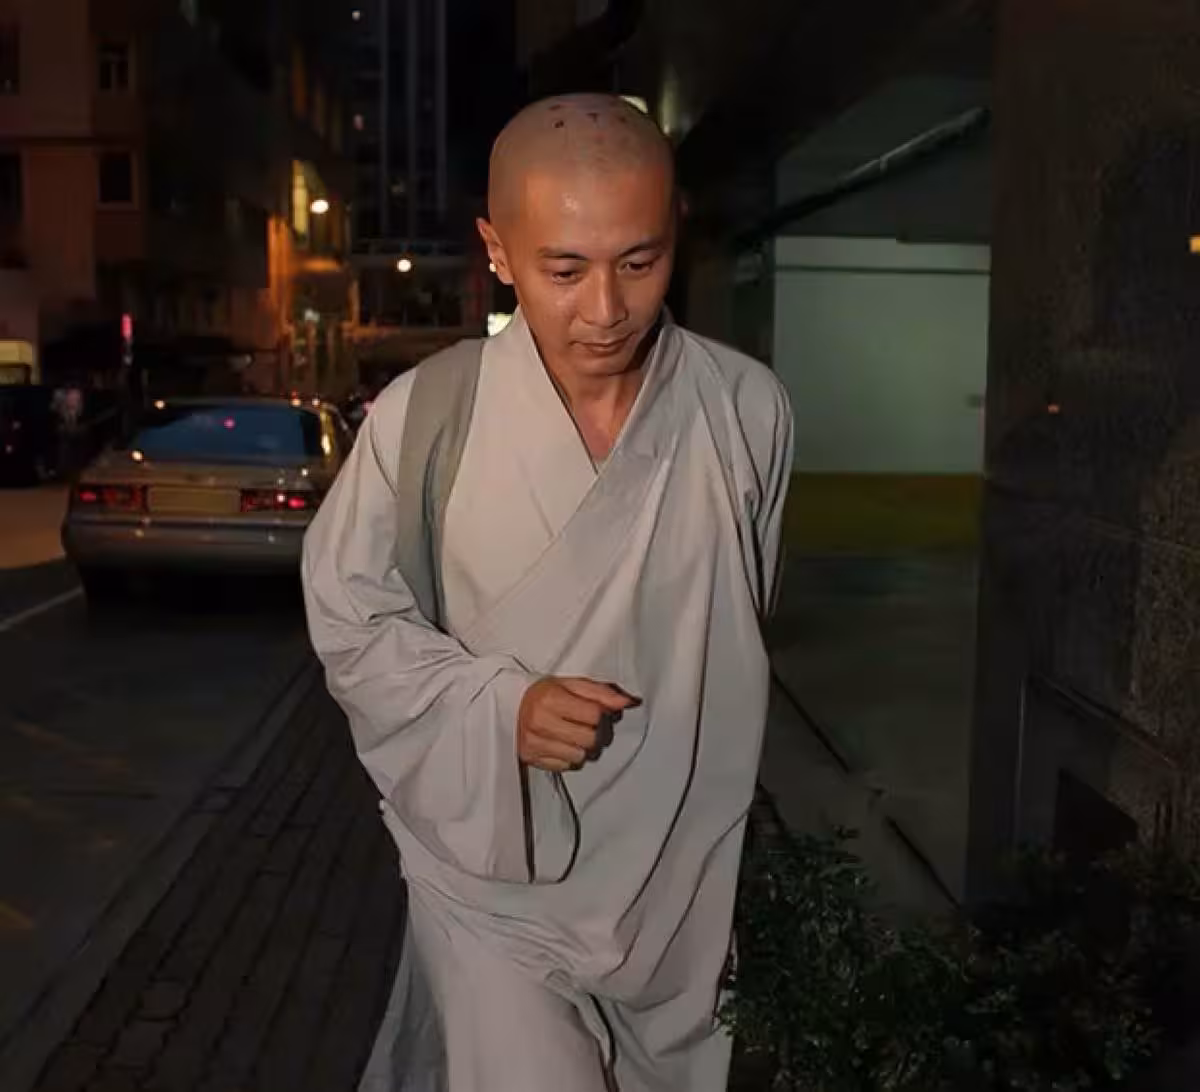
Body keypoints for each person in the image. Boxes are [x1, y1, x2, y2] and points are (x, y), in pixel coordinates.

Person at [302, 93, 794, 1092]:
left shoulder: (747, 411)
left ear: (677, 231)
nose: (604, 310)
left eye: (640, 262)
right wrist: (498, 709)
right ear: (496, 249)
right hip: (486, 875)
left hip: (674, 875)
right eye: (563, 271)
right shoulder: (424, 416)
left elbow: (740, 627)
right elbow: (349, 621)